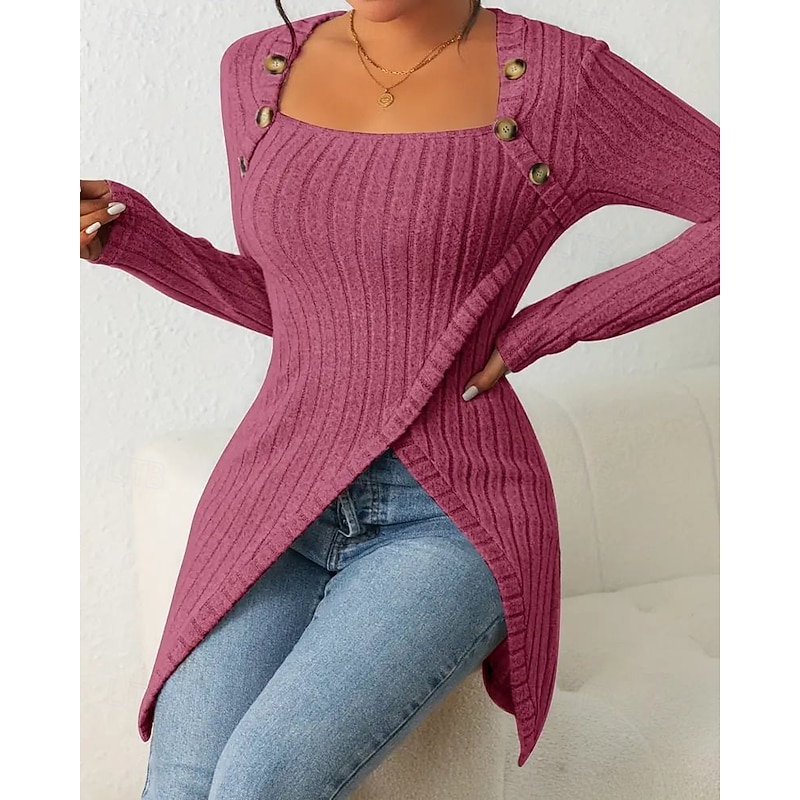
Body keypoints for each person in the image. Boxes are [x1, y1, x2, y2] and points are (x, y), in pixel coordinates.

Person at [80, 1, 720, 798]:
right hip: (278, 485)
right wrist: (138, 240)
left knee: (258, 780)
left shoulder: (563, 82)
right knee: (181, 783)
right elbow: (301, 309)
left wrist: (541, 329)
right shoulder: (256, 69)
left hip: (451, 511)